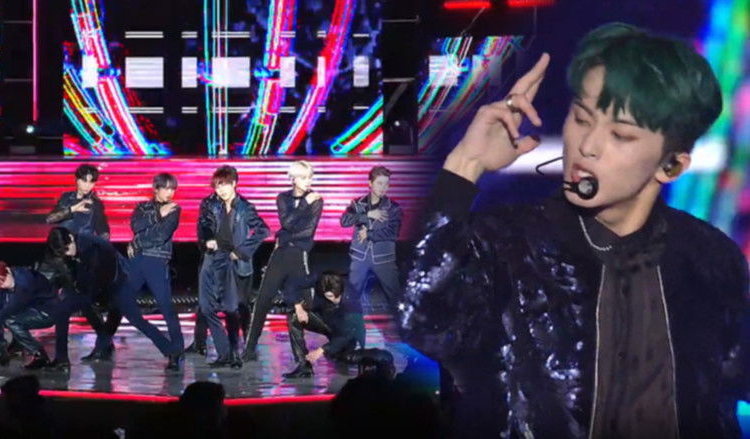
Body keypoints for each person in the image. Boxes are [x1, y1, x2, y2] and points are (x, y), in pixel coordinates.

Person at [399, 23, 749, 438]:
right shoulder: (505, 244)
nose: (587, 146)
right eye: (581, 118)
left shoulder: (709, 258)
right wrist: (466, 164)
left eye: (620, 135)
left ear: (671, 165)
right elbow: (422, 319)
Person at [242, 160, 323, 362]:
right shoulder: (283, 198)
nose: (308, 181)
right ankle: (249, 350)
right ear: (293, 179)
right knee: (262, 300)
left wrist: (284, 235)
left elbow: (308, 231)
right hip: (279, 255)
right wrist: (304, 205)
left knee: (302, 304)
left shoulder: (316, 199)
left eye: (310, 177)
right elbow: (286, 222)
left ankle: (303, 356)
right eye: (303, 177)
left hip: (298, 254)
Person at [190, 165, 269, 368]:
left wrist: (241, 251)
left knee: (232, 308)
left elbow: (263, 230)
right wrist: (207, 239)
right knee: (206, 307)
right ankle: (225, 353)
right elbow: (204, 224)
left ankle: (233, 353)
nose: (221, 190)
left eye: (224, 185)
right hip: (212, 257)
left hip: (233, 260)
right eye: (217, 186)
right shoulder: (209, 203)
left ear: (234, 183)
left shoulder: (245, 207)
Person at [112, 173, 184, 372]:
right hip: (136, 262)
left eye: (172, 189)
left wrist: (137, 241)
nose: (170, 193)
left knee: (166, 307)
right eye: (166, 188)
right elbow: (136, 225)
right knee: (123, 303)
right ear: (156, 188)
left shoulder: (175, 209)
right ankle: (166, 347)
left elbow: (161, 235)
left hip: (157, 261)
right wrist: (158, 214)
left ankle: (177, 350)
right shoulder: (142, 207)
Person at [37, 227, 125, 372]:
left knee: (114, 306)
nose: (67, 253)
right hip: (90, 284)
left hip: (115, 281)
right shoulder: (61, 250)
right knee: (63, 309)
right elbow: (55, 268)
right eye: (62, 252)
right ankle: (61, 360)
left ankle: (104, 345)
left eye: (67, 249)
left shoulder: (92, 247)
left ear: (71, 238)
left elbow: (105, 274)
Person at [282, 271, 366, 379]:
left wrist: (321, 350)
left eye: (338, 296)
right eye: (330, 296)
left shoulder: (351, 300)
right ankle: (304, 367)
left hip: (346, 333)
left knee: (343, 357)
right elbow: (291, 282)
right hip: (326, 321)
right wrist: (298, 307)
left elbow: (347, 334)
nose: (335, 299)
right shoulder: (319, 280)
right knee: (294, 317)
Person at [340, 165, 403, 309]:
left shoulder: (393, 208)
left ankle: (404, 323)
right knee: (351, 298)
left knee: (396, 298)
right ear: (370, 183)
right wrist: (367, 215)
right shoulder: (358, 204)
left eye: (386, 184)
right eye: (379, 183)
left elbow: (393, 233)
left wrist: (369, 234)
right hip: (360, 256)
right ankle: (350, 322)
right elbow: (344, 221)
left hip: (384, 258)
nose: (383, 187)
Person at [0, 261, 58, 369]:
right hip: (29, 307)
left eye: (3, 281)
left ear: (7, 271)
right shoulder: (5, 279)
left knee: (8, 320)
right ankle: (3, 354)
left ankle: (40, 355)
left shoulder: (24, 282)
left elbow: (7, 311)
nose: (3, 286)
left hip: (48, 311)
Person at [45, 164, 110, 239]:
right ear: (76, 180)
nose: (87, 186)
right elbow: (50, 219)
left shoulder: (95, 203)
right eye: (84, 181)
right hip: (63, 244)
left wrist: (100, 244)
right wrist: (73, 209)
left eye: (91, 182)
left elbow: (103, 230)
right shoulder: (66, 197)